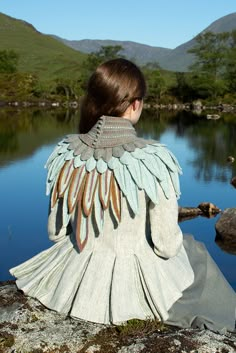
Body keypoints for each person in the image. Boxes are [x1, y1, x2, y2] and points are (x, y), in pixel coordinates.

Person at [10, 58, 235, 332]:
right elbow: (165, 244)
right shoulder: (155, 158)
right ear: (135, 104)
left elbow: (56, 233)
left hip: (73, 274)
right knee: (195, 252)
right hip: (133, 277)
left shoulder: (65, 152)